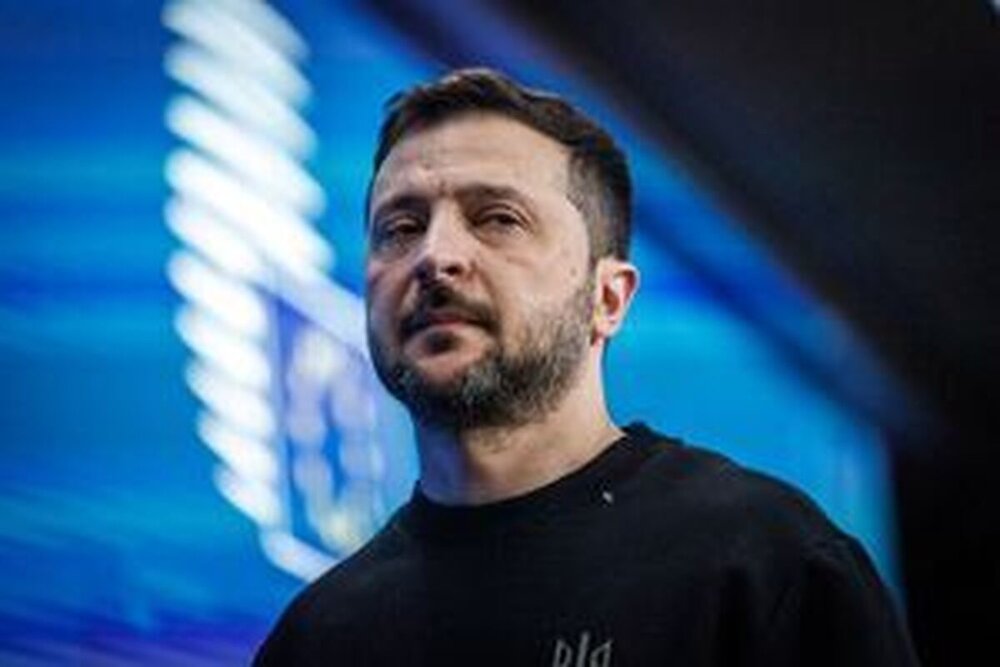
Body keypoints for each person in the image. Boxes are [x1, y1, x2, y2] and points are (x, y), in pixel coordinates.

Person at [254, 67, 920, 666]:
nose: (435, 256)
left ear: (608, 299)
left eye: (498, 219)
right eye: (400, 227)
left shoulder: (766, 566)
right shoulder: (316, 639)